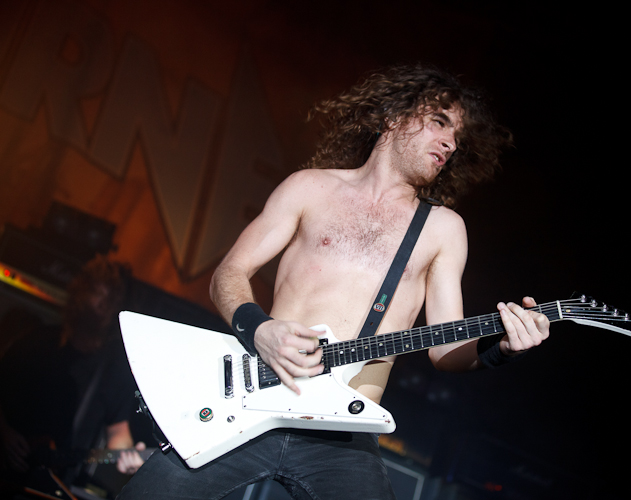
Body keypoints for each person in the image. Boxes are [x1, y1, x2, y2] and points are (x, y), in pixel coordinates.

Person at [117, 64, 550, 500]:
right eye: (439, 122)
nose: (450, 143)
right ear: (393, 116)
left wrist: (502, 348)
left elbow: (445, 350)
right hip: (252, 401)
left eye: (457, 137)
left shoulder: (443, 229)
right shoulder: (309, 188)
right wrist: (259, 329)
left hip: (344, 434)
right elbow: (229, 273)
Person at [0, 256, 146, 493]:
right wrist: (5, 433)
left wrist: (128, 458)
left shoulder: (113, 368)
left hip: (53, 483)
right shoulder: (38, 340)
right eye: (98, 292)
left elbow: (118, 431)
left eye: (112, 298)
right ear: (80, 293)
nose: (103, 304)